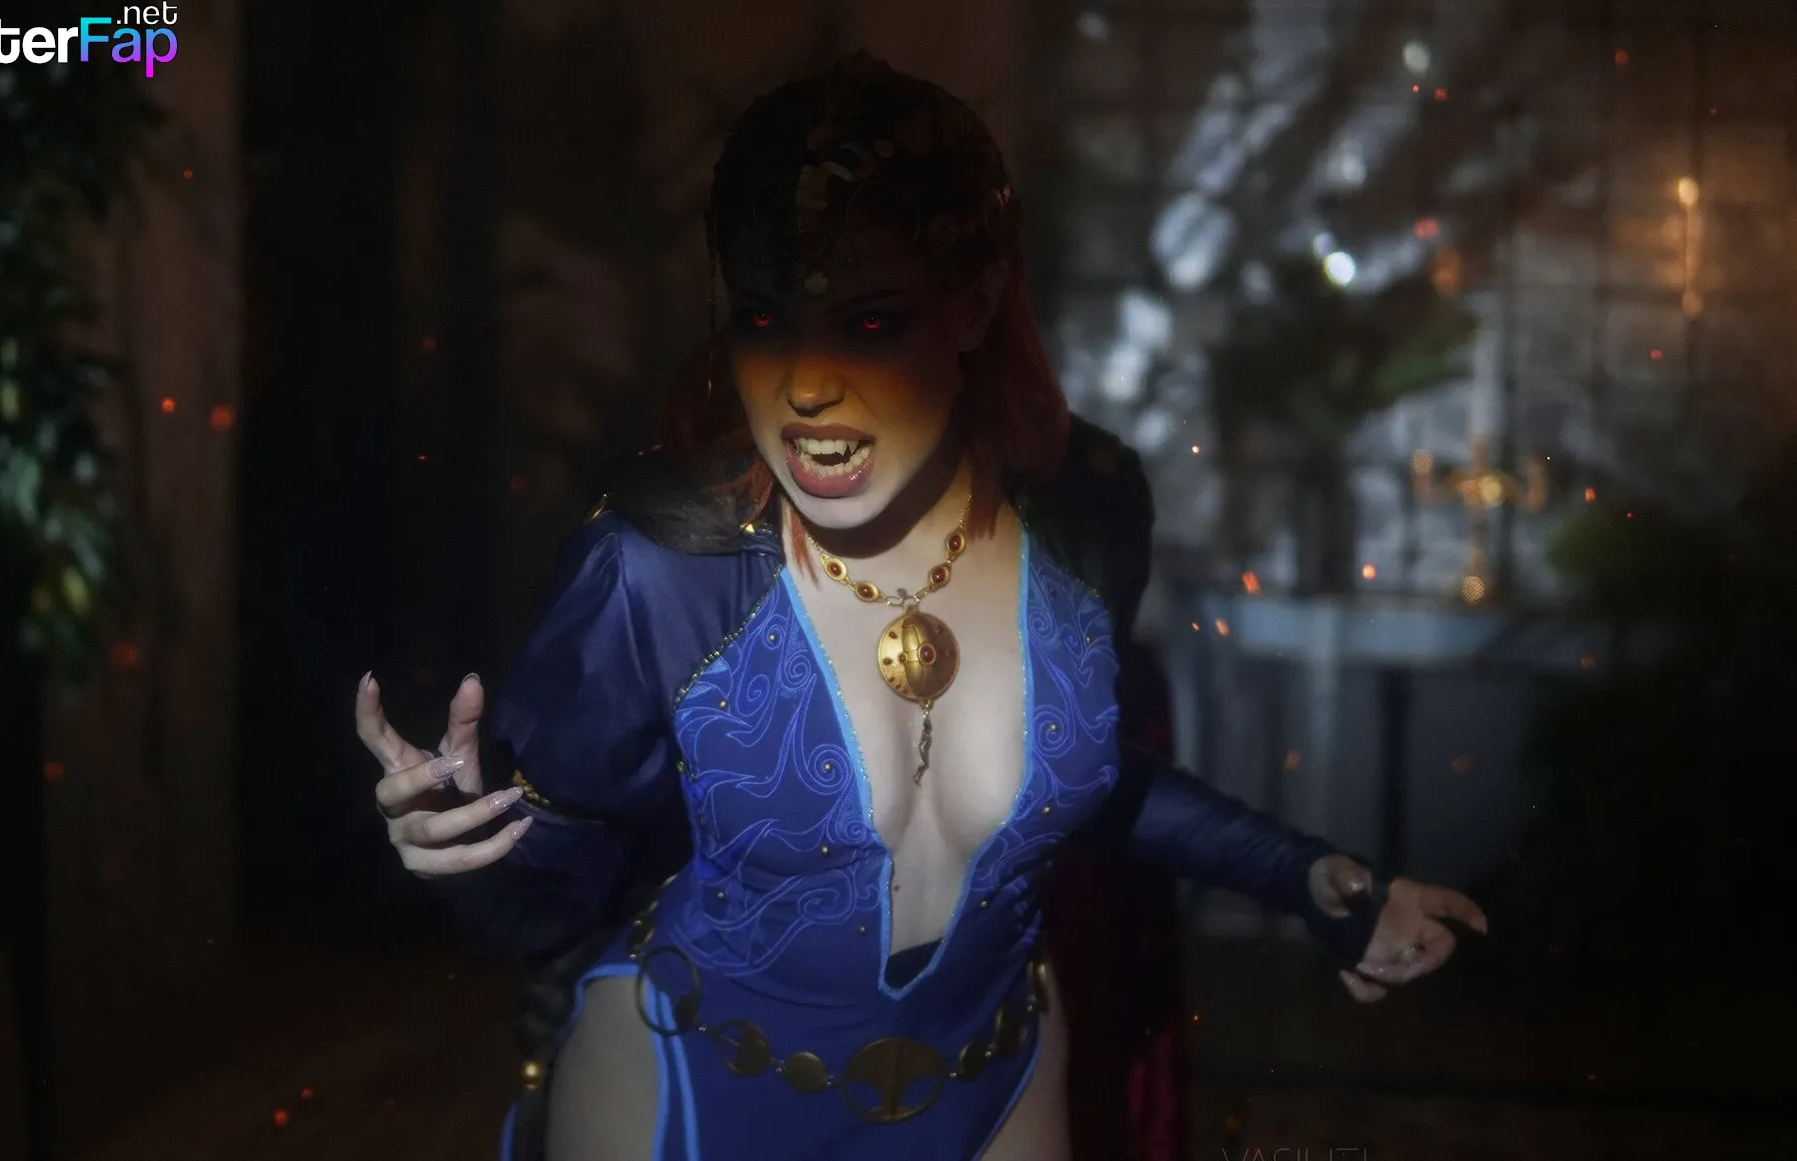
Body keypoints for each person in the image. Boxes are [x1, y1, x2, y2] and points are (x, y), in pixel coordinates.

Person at [357, 52, 1487, 1161]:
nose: (806, 386)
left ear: (975, 302)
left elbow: (1079, 774)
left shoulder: (1086, 523)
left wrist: (1302, 875)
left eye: (869, 320)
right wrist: (469, 836)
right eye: (763, 319)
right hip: (691, 1094)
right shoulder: (662, 565)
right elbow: (553, 891)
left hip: (997, 1083)